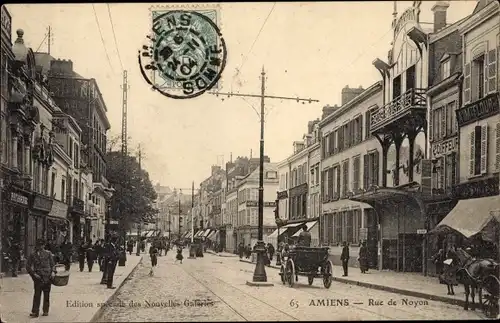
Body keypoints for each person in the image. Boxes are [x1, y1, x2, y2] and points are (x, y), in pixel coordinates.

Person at [26, 239, 56, 318]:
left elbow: (53, 264)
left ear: (44, 245)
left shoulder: (48, 253)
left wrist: (53, 272)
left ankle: (45, 310)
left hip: (47, 276)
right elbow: (28, 266)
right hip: (38, 277)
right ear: (37, 246)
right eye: (39, 245)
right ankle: (35, 312)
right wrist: (34, 274)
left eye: (42, 245)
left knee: (46, 294)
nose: (40, 247)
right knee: (37, 295)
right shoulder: (33, 254)